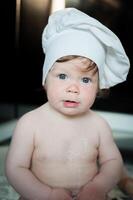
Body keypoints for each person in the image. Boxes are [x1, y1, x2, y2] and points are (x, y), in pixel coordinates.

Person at [5, 8, 133, 200]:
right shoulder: (30, 123)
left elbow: (113, 162)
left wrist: (97, 187)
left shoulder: (98, 125)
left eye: (85, 80)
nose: (73, 88)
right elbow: (16, 169)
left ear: (98, 87)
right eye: (62, 76)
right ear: (45, 79)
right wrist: (46, 194)